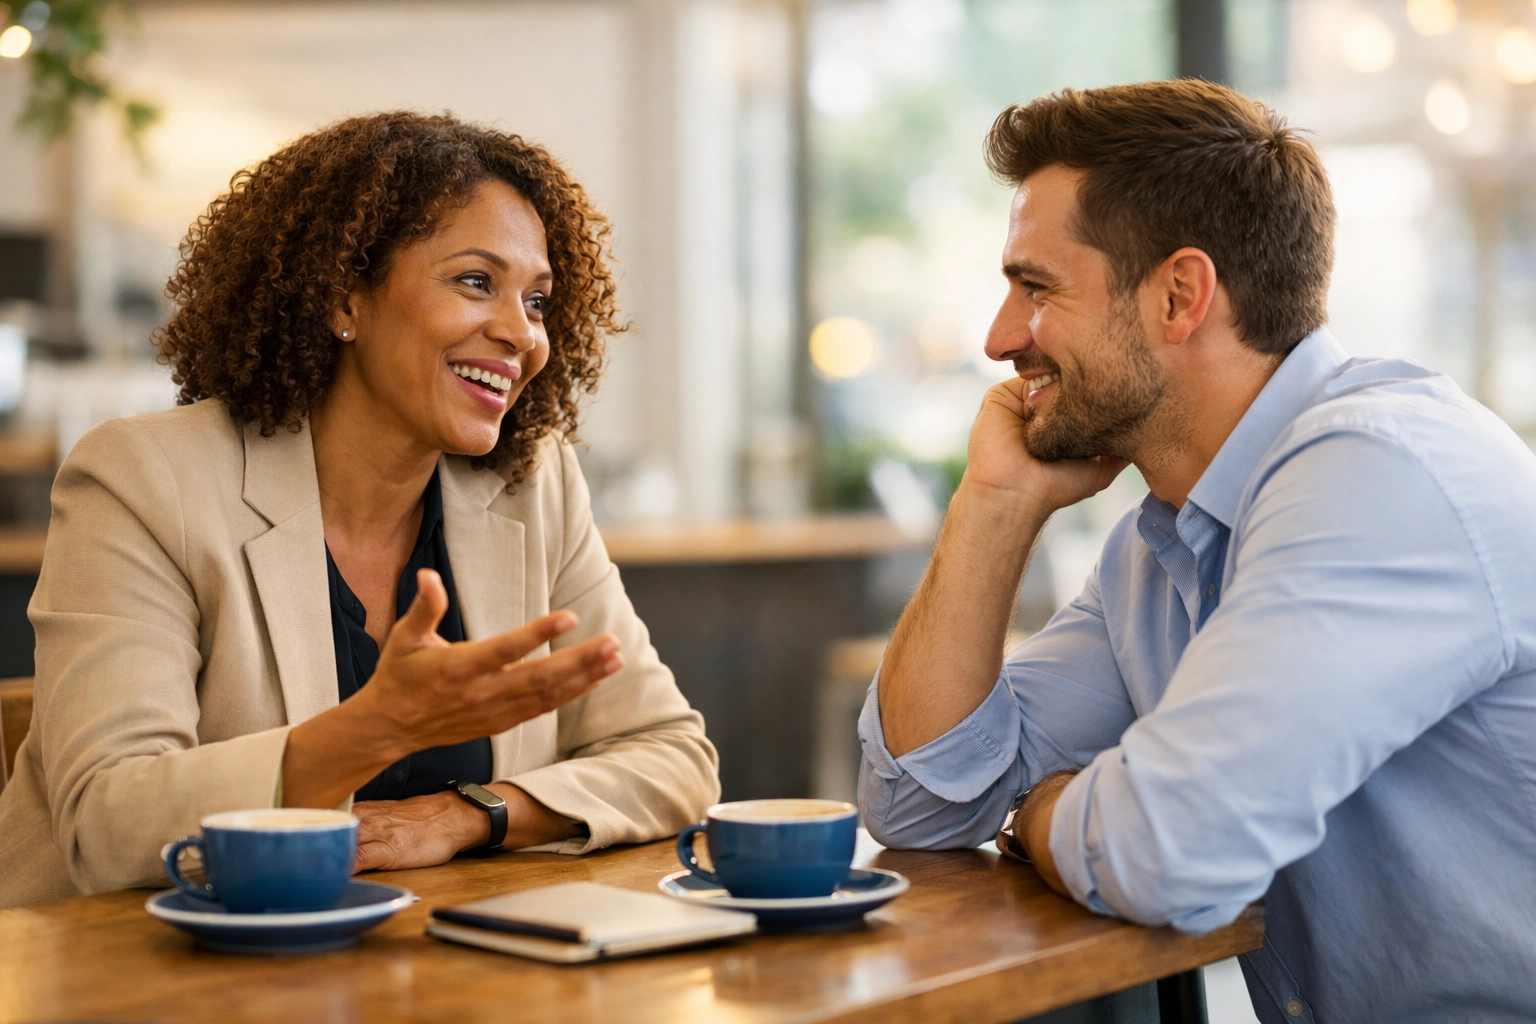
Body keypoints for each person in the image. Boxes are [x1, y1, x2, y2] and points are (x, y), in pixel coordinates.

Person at [859, 80, 1536, 1022]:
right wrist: (996, 502)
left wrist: (1041, 810)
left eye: (1036, 286)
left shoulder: (1380, 472)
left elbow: (1167, 854)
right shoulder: (1163, 542)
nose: (999, 338)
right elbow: (920, 807)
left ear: (1180, 295)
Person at [0, 112, 719, 907]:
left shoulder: (529, 484)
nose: (522, 334)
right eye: (476, 282)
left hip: (421, 970)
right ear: (343, 296)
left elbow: (673, 756)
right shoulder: (144, 478)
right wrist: (371, 731)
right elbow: (107, 823)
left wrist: (464, 816)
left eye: (539, 301)